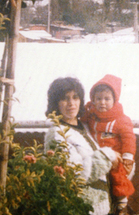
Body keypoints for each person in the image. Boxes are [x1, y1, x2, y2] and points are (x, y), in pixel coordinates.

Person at [44, 77, 121, 215]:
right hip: (81, 209)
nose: (71, 103)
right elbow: (76, 173)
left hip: (103, 207)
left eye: (75, 97)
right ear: (56, 103)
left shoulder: (87, 127)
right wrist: (108, 156)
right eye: (64, 98)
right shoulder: (57, 134)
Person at [81, 74, 136, 215]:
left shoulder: (120, 119)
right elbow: (82, 118)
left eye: (107, 99)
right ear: (93, 100)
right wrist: (87, 109)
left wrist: (128, 157)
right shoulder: (92, 115)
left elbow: (129, 138)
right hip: (98, 156)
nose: (102, 103)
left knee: (118, 175)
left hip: (115, 157)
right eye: (98, 99)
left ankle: (121, 199)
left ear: (114, 100)